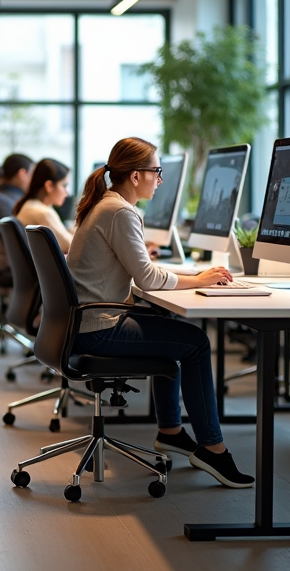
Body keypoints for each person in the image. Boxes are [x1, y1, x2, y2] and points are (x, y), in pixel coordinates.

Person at [67, 137, 254, 488]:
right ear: (136, 176)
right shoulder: (120, 211)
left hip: (87, 323)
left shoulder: (108, 205)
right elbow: (148, 279)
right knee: (196, 341)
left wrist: (193, 277)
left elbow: (138, 272)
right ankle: (213, 449)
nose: (160, 179)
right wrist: (199, 278)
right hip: (98, 328)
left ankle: (171, 432)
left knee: (169, 325)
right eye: (157, 171)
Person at [13, 158, 73, 254]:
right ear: (49, 186)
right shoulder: (42, 212)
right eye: (64, 186)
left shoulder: (30, 205)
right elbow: (70, 246)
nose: (67, 192)